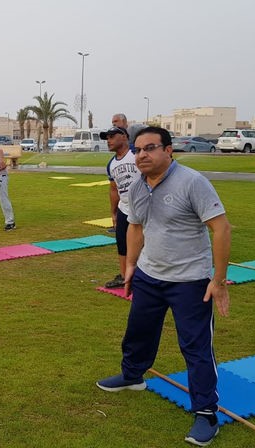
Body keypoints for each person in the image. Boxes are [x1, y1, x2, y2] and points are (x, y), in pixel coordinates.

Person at [96, 127, 231, 447]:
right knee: (138, 331)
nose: (142, 154)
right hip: (149, 276)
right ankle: (132, 376)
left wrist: (218, 280)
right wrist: (131, 266)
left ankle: (207, 413)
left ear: (168, 151)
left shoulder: (192, 182)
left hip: (190, 281)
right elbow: (135, 227)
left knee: (196, 347)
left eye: (150, 148)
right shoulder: (137, 186)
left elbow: (221, 229)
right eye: (138, 149)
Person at [100, 126, 140, 288]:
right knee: (122, 243)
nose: (108, 141)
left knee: (144, 244)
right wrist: (114, 212)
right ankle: (124, 277)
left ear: (124, 136)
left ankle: (145, 277)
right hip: (124, 208)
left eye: (112, 137)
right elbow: (113, 189)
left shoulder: (137, 153)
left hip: (143, 207)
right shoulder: (111, 164)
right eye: (107, 138)